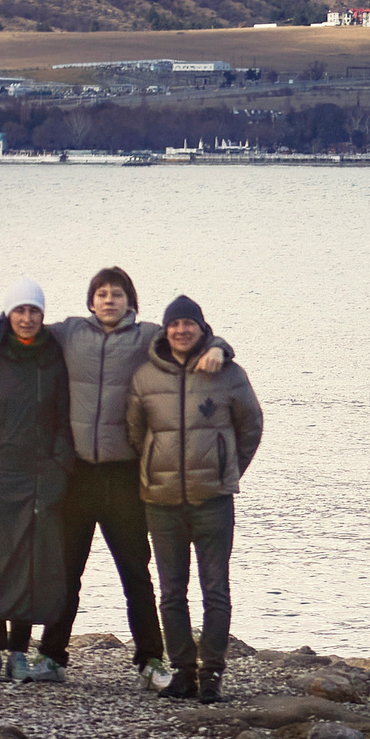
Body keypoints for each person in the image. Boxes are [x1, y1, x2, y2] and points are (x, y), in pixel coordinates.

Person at [0, 268, 229, 689]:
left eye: (118, 294)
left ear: (131, 301)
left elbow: (190, 336)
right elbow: (19, 324)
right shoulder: (69, 333)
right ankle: (52, 657)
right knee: (66, 570)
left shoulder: (146, 337)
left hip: (124, 475)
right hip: (78, 474)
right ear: (90, 302)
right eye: (102, 294)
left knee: (136, 573)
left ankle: (150, 661)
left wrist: (219, 345)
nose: (109, 301)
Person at [126, 295, 263, 704]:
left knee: (215, 589)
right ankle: (183, 672)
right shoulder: (146, 377)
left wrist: (227, 471)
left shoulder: (228, 373)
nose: (181, 330)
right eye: (174, 324)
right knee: (171, 591)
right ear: (165, 330)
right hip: (161, 501)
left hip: (213, 502)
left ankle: (212, 675)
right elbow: (135, 432)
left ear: (202, 329)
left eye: (189, 324)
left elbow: (251, 426)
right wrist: (153, 467)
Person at [0, 279, 76, 683]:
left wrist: (59, 467)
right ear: (8, 314)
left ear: (43, 316)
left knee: (29, 564)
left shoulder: (52, 356)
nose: (26, 318)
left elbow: (63, 418)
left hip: (39, 476)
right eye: (19, 311)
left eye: (34, 311)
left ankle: (20, 655)